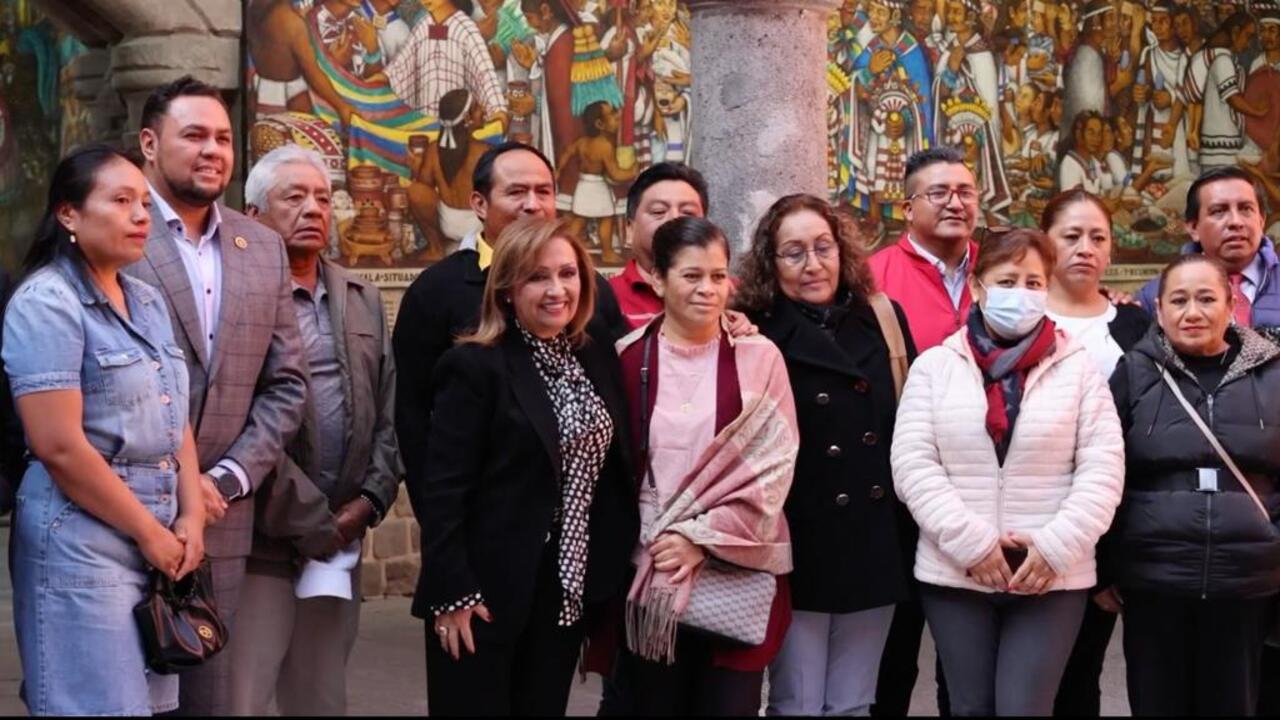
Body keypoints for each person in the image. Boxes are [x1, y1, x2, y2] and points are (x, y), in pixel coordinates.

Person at [126, 76, 308, 716]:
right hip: (120, 515)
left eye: (224, 138)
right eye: (194, 135)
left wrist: (225, 480)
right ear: (149, 142)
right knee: (109, 695)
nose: (212, 150)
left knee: (206, 698)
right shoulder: (114, 229)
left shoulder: (261, 247)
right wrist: (170, 485)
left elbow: (287, 384)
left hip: (220, 524)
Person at [4, 144, 206, 715]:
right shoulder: (47, 301)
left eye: (144, 202)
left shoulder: (146, 299)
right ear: (68, 214)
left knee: (149, 706)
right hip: (82, 540)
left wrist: (190, 517)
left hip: (160, 536)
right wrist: (150, 532)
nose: (142, 215)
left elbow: (176, 419)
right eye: (121, 201)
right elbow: (59, 447)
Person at [891, 228, 1125, 716]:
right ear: (977, 286)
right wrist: (971, 543)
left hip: (1050, 576)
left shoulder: (1078, 370)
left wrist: (1057, 545)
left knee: (1026, 706)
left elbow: (1103, 468)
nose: (1022, 294)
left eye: (1034, 282)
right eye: (1007, 280)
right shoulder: (935, 367)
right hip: (956, 571)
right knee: (969, 706)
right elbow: (913, 464)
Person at [416, 217, 637, 714]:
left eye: (568, 273)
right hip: (484, 593)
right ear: (509, 288)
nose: (557, 289)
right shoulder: (474, 366)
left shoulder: (592, 357)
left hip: (566, 589)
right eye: (538, 277)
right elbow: (444, 491)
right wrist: (451, 592)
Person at [226, 146, 401, 715]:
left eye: (323, 197)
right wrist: (311, 520)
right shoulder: (233, 301)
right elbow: (235, 421)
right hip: (260, 541)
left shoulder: (360, 297)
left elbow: (389, 414)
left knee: (321, 696)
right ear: (252, 215)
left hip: (339, 543)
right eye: (293, 197)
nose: (313, 208)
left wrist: (368, 502)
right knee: (242, 696)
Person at [608, 216, 799, 716]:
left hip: (736, 569)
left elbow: (774, 464)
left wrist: (700, 538)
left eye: (718, 276)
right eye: (692, 276)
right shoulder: (626, 360)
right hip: (651, 570)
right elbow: (615, 474)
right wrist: (664, 541)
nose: (708, 289)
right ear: (657, 279)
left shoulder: (759, 357)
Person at [394, 142, 626, 550]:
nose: (533, 205)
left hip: (583, 537)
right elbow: (413, 420)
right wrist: (443, 540)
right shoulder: (436, 292)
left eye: (544, 192)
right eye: (517, 192)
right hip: (487, 535)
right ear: (480, 203)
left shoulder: (590, 292)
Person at [735, 194, 916, 716]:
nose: (813, 265)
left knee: (855, 703)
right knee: (797, 701)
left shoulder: (883, 317)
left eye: (823, 247)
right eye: (794, 253)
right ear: (770, 262)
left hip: (875, 537)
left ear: (843, 251)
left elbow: (911, 417)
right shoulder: (752, 328)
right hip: (798, 540)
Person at [1105, 254, 1280, 715]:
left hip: (1244, 577)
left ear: (1231, 305)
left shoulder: (1272, 375)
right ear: (1159, 310)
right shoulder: (1135, 372)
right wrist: (1106, 565)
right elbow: (1106, 471)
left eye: (1207, 299)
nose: (1193, 312)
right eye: (1178, 300)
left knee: (1233, 702)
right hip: (1155, 574)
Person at [869, 146, 981, 716]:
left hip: (988, 492)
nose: (955, 202)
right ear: (907, 206)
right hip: (902, 492)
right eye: (939, 193)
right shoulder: (873, 276)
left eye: (965, 191)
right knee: (894, 653)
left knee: (969, 663)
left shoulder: (1000, 271)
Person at [1037, 189, 1149, 717]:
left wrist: (1113, 561)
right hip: (1025, 522)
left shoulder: (1136, 328)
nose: (1085, 248)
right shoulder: (1016, 317)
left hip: (1104, 526)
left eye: (1097, 238)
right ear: (1045, 244)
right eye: (1071, 236)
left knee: (1081, 676)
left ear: (1111, 251)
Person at [1137, 167, 1280, 327]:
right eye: (1219, 211)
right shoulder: (1155, 295)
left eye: (1246, 209)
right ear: (1193, 228)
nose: (1235, 222)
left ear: (1261, 221)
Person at [609, 161, 709, 330]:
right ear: (629, 229)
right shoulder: (606, 298)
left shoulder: (733, 295)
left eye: (688, 213)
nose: (674, 219)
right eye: (658, 211)